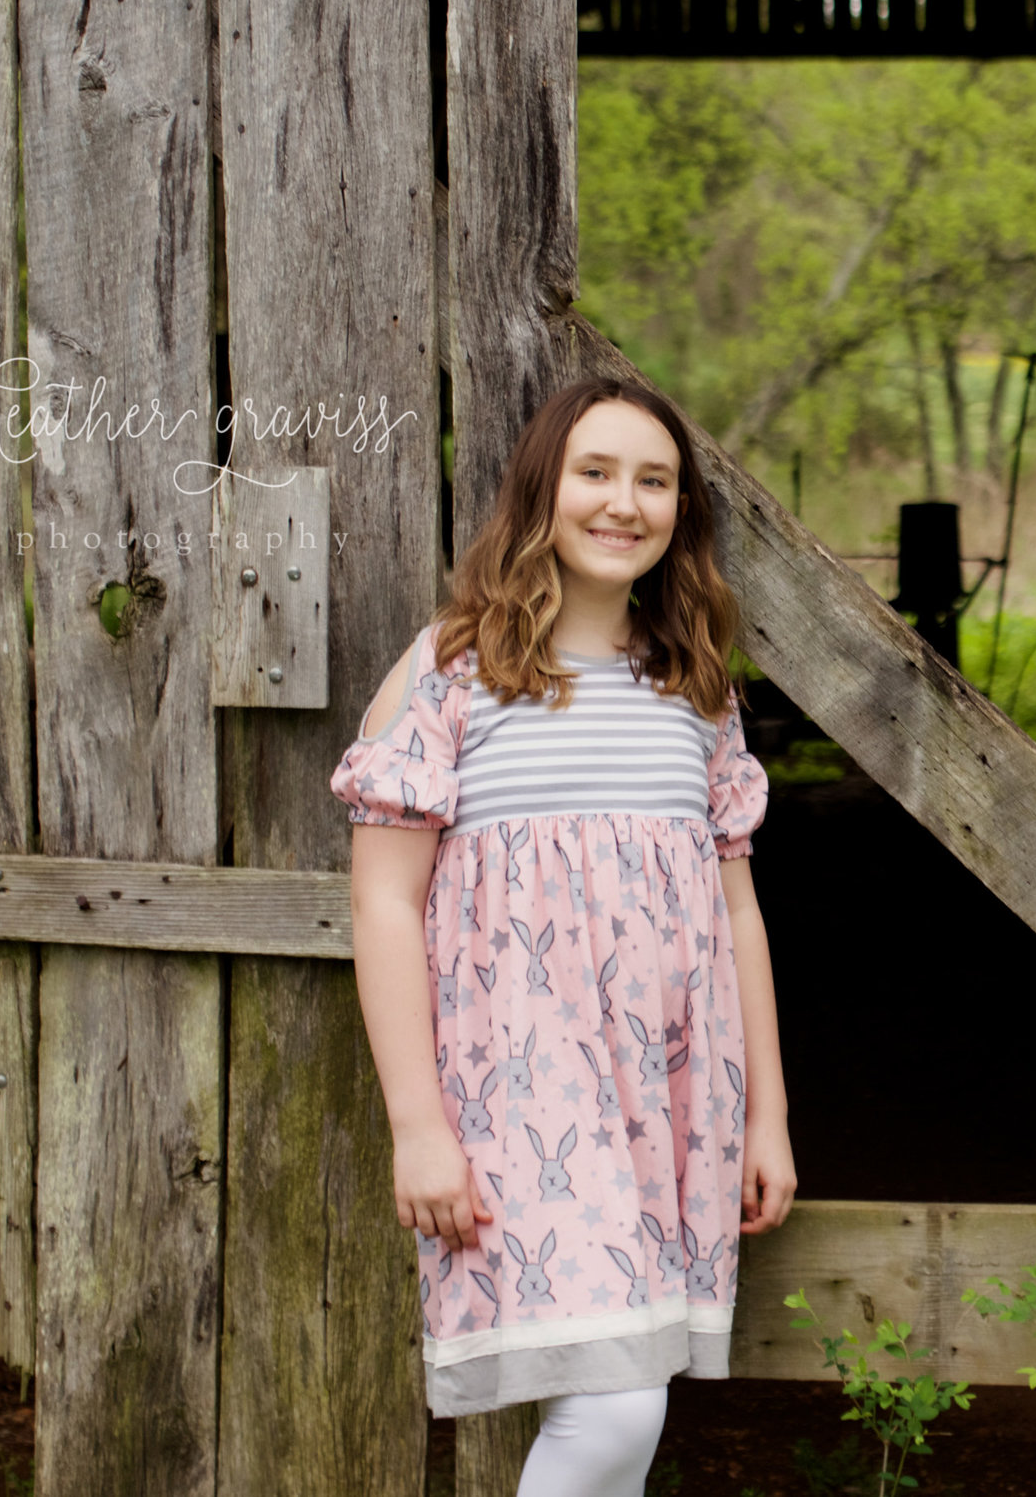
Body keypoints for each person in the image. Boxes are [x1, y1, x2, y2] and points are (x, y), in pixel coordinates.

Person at [332, 377, 797, 1497]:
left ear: (681, 511)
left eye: (655, 481)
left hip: (669, 1097)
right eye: (595, 472)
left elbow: (734, 911)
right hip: (521, 1104)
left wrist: (765, 1116)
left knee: (632, 1393)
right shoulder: (451, 669)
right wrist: (417, 1127)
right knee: (614, 1402)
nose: (623, 502)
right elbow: (384, 904)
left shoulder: (694, 689)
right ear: (541, 489)